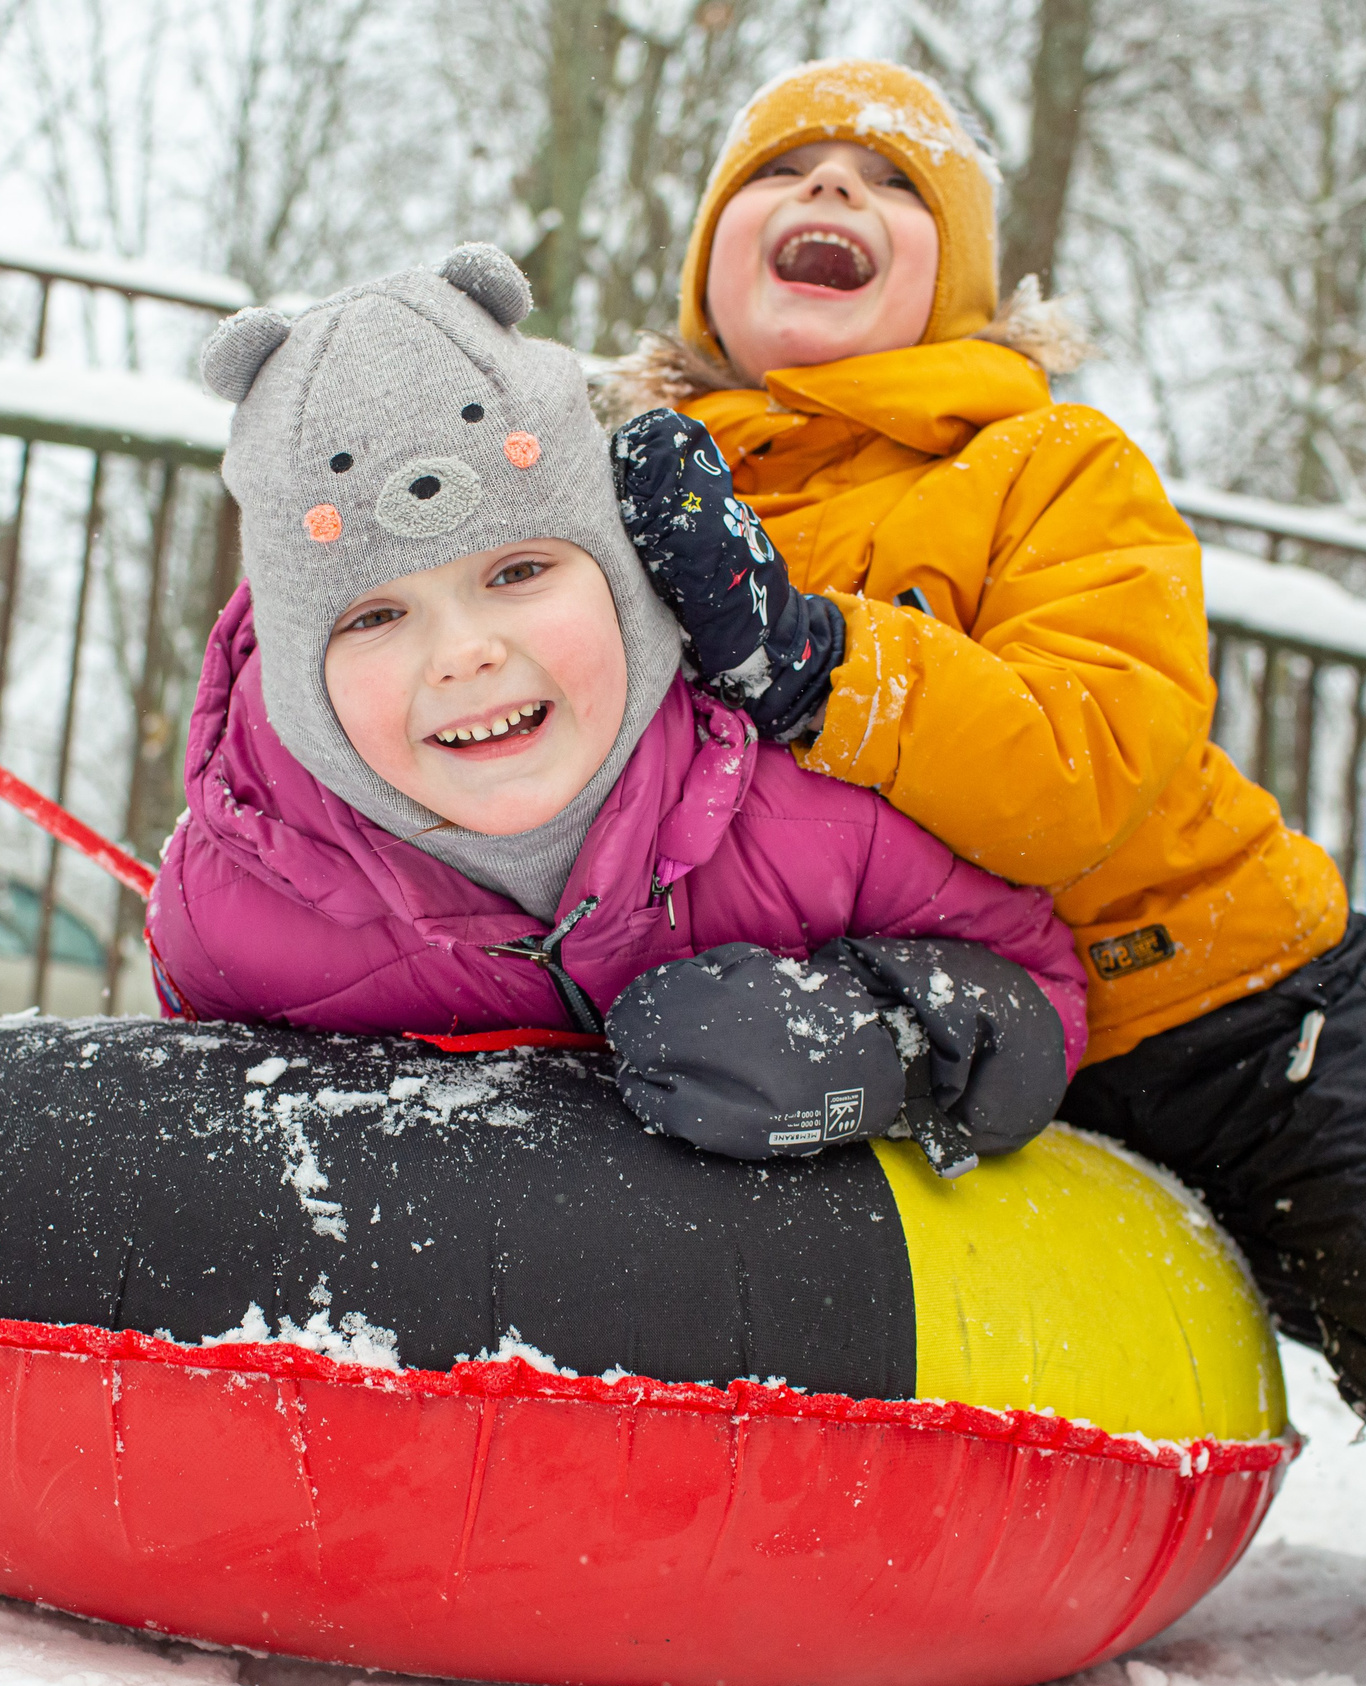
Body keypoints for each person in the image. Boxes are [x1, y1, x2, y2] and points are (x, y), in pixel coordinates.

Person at [601, 57, 1366, 1659]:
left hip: (1249, 1014)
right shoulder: (641, 498)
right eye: (782, 174)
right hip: (968, 1052)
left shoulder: (1044, 467)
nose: (832, 195)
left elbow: (1093, 763)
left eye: (896, 182)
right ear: (712, 255)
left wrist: (811, 657)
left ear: (962, 285)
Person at [145, 245, 1085, 1174]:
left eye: (518, 572)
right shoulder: (231, 909)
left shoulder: (816, 813)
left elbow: (1041, 991)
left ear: (626, 580)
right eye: (376, 615)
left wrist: (881, 1047)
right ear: (299, 682)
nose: (464, 651)